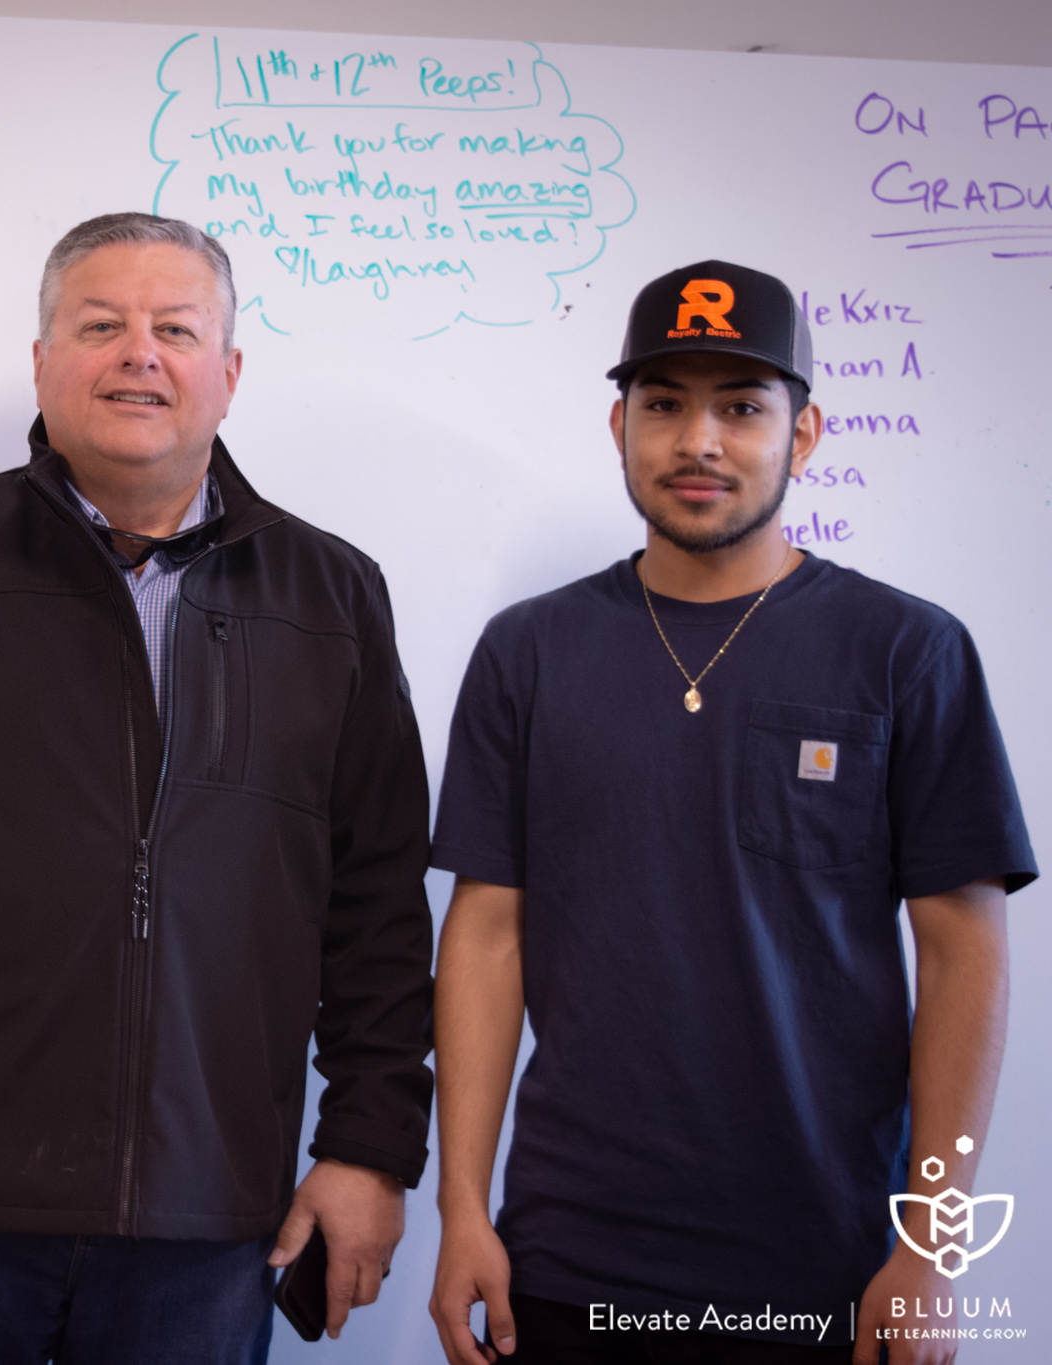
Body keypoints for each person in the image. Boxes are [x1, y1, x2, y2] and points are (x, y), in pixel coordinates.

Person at [0, 212, 435, 1363]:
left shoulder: (333, 598)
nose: (137, 354)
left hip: (208, 1214)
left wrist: (367, 1146)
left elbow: (376, 909)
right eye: (99, 325)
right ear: (43, 361)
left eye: (173, 328)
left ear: (229, 372)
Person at [426, 262, 1035, 1365]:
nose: (696, 440)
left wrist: (932, 1247)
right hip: (569, 1259)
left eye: (740, 407)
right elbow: (484, 934)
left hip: (829, 1263)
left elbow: (961, 954)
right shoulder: (529, 652)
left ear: (800, 436)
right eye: (662, 404)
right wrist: (460, 1209)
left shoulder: (904, 651)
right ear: (618, 427)